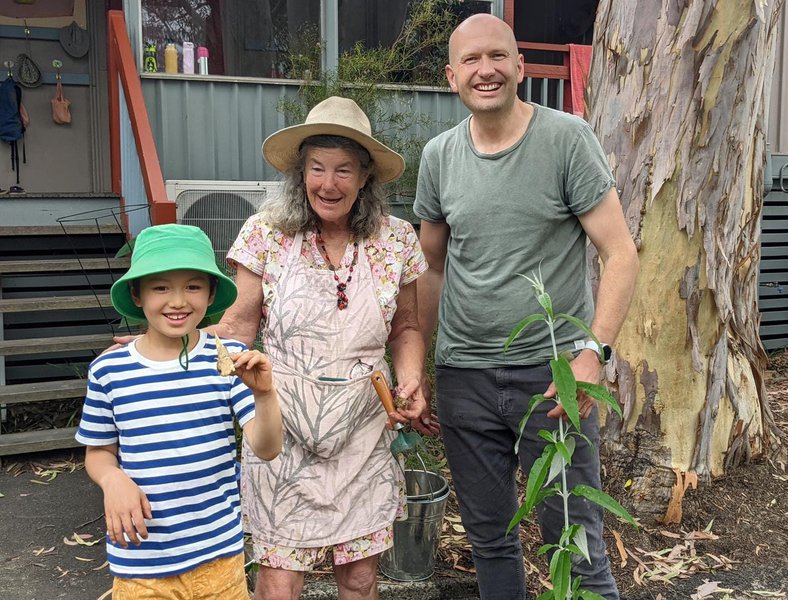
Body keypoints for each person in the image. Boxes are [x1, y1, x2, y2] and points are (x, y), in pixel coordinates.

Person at [414, 14, 639, 600]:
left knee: (576, 546)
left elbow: (620, 252)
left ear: (519, 66)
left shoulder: (566, 139)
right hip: (464, 376)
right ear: (451, 77)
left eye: (497, 56)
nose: (485, 70)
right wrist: (418, 368)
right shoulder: (439, 156)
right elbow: (431, 267)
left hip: (553, 376)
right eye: (470, 60)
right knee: (490, 542)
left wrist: (592, 355)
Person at [215, 95, 430, 600]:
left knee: (360, 579)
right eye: (317, 167)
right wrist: (168, 346)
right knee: (279, 582)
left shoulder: (396, 239)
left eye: (343, 170)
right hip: (282, 426)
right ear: (301, 172)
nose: (328, 183)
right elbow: (238, 325)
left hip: (363, 428)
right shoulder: (266, 234)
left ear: (365, 177)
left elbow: (406, 327)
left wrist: (411, 380)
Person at [75, 224, 283, 599]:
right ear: (137, 294)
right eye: (160, 288)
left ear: (211, 293)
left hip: (219, 556)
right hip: (142, 562)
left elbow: (267, 448)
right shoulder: (110, 371)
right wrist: (112, 480)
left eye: (192, 286)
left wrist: (265, 395)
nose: (177, 301)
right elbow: (99, 451)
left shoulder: (229, 360)